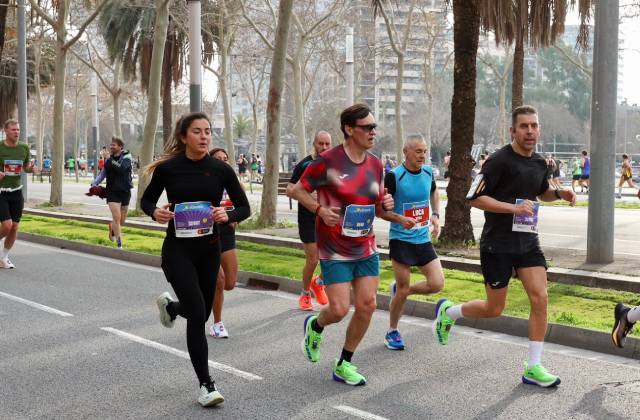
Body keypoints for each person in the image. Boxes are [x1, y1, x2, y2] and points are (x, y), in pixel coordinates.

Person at [434, 105, 577, 388]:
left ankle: (533, 367)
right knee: (493, 308)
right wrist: (512, 209)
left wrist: (559, 193)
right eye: (524, 126)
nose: (530, 131)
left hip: (527, 242)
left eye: (534, 126)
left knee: (540, 298)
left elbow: (541, 192)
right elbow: (474, 198)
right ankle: (449, 312)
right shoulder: (498, 161)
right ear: (513, 131)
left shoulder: (539, 163)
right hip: (497, 244)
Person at [141, 112, 249, 407]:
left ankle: (172, 308)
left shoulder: (221, 170)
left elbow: (244, 208)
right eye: (198, 132)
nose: (204, 136)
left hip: (209, 248)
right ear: (184, 137)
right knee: (200, 311)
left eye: (208, 131)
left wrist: (226, 215)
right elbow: (147, 200)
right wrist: (155, 212)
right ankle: (206, 385)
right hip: (178, 250)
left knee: (198, 313)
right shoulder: (168, 169)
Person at [290, 104, 394, 386]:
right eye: (367, 127)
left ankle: (344, 363)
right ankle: (316, 325)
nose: (373, 132)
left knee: (368, 305)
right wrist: (319, 209)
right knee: (337, 309)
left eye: (374, 127)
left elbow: (379, 206)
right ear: (350, 129)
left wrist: (387, 204)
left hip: (365, 245)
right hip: (334, 247)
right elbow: (295, 189)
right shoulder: (327, 161)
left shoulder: (376, 164)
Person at [381, 134, 444, 350]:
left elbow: (434, 191)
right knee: (404, 286)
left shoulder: (427, 172)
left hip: (422, 238)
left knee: (437, 283)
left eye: (425, 151)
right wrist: (400, 219)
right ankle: (392, 331)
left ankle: (400, 291)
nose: (423, 155)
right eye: (418, 151)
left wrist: (435, 215)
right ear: (405, 152)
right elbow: (381, 211)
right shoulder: (394, 176)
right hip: (400, 239)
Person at [286, 131, 332, 311]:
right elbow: (290, 189)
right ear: (314, 143)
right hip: (307, 218)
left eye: (327, 144)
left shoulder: (334, 165)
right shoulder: (305, 164)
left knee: (334, 258)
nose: (324, 148)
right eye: (321, 143)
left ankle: (319, 283)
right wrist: (305, 193)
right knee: (313, 260)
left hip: (328, 218)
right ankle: (305, 293)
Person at [208, 147, 240, 339]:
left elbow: (241, 205)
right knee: (218, 281)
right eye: (218, 158)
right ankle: (217, 324)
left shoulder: (232, 182)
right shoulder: (204, 181)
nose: (222, 161)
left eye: (225, 159)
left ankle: (205, 287)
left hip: (227, 232)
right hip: (208, 232)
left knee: (229, 283)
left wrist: (235, 216)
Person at [0, 119, 33, 269]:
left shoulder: (24, 148)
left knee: (14, 227)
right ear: (6, 131)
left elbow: (25, 167)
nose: (16, 132)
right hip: (1, 192)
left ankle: (3, 258)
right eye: (13, 130)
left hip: (16, 191)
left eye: (18, 130)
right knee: (6, 226)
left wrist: (30, 169)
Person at [92, 137, 134, 249]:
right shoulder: (109, 160)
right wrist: (95, 183)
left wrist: (109, 159)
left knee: (122, 220)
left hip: (125, 191)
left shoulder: (127, 157)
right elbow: (103, 173)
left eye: (114, 145)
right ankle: (119, 244)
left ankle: (112, 227)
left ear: (120, 147)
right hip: (112, 191)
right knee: (116, 217)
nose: (111, 147)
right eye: (111, 145)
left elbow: (121, 168)